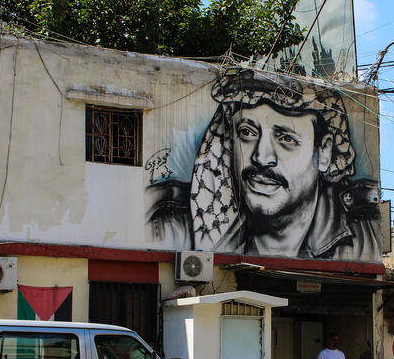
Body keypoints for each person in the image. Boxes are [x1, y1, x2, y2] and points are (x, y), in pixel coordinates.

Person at [147, 69, 380, 260]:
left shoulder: (363, 232)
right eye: (247, 133)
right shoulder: (169, 222)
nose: (261, 156)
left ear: (324, 152)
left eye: (286, 138)